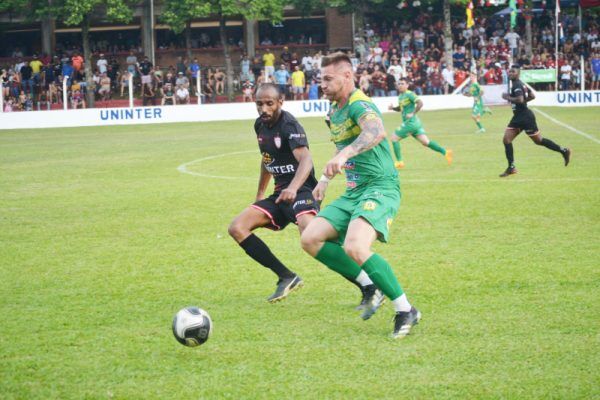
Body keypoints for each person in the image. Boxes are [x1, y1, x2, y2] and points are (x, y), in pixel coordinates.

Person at [300, 52, 420, 339]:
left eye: (328, 79)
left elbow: (375, 132)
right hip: (354, 191)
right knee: (310, 237)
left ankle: (405, 309)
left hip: (380, 186)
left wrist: (345, 154)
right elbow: (342, 145)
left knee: (356, 246)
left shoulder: (359, 103)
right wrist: (326, 179)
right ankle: (370, 285)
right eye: (321, 79)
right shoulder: (335, 112)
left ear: (347, 76)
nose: (323, 85)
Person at [228, 83, 318, 302]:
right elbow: (267, 159)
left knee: (311, 236)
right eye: (259, 104)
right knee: (237, 228)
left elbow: (306, 160)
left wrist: (293, 188)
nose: (264, 109)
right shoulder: (260, 125)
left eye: (269, 104)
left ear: (280, 102)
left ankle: (366, 283)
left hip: (303, 190)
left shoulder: (289, 125)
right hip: (279, 194)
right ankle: (286, 277)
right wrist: (260, 193)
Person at [499, 65, 571, 177]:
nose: (510, 73)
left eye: (513, 72)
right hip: (519, 117)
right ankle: (511, 167)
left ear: (518, 73)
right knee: (507, 139)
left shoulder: (517, 85)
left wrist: (507, 97)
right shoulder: (520, 83)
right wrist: (521, 102)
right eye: (509, 72)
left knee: (539, 141)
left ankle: (564, 150)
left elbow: (520, 99)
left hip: (525, 118)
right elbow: (532, 96)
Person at [387, 78, 453, 169]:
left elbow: (420, 103)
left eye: (402, 83)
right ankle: (446, 152)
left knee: (394, 138)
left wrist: (412, 113)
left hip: (411, 123)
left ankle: (399, 162)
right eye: (399, 84)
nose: (400, 85)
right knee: (426, 142)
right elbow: (400, 108)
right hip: (415, 123)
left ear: (407, 85)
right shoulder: (401, 96)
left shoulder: (409, 94)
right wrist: (393, 108)